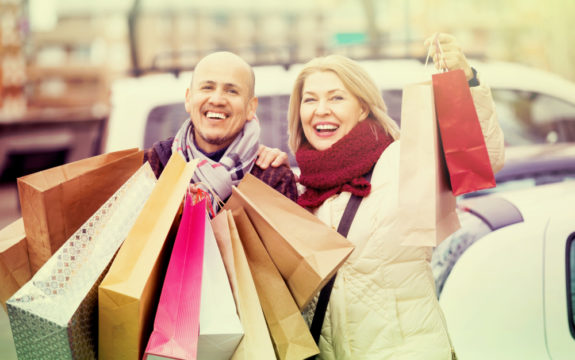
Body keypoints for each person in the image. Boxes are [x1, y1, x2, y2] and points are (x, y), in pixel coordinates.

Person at [287, 33, 505, 359]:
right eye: (310, 100)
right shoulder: (298, 190)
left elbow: (482, 157)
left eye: (336, 98)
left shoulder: (401, 162)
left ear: (363, 108)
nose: (321, 110)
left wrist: (465, 83)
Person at [144, 51, 298, 211]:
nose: (217, 100)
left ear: (251, 107)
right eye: (207, 87)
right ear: (188, 99)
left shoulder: (273, 180)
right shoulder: (149, 168)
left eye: (231, 91)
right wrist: (168, 207)